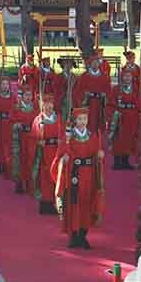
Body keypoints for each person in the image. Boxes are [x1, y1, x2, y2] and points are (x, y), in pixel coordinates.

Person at [51, 107, 105, 249]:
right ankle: (73, 236)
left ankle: (83, 235)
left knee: (86, 203)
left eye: (85, 119)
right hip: (74, 175)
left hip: (89, 175)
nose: (83, 122)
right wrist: (64, 159)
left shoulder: (92, 136)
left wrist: (99, 156)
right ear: (75, 121)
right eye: (80, 119)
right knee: (74, 203)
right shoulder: (69, 138)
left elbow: (96, 153)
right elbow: (60, 154)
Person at [31, 94, 64, 214]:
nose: (49, 106)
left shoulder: (58, 118)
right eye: (46, 103)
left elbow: (64, 134)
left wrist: (61, 141)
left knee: (56, 176)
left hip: (56, 151)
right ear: (42, 105)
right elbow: (33, 137)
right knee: (45, 176)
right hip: (44, 152)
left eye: (51, 103)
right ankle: (45, 204)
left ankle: (56, 203)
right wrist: (38, 142)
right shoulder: (38, 120)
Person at [107, 70, 141, 170]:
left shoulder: (136, 89)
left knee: (129, 139)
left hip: (131, 118)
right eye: (125, 76)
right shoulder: (116, 89)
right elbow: (110, 103)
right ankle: (117, 162)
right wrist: (113, 115)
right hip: (119, 117)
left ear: (132, 77)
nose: (127, 78)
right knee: (118, 140)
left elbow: (140, 104)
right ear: (122, 77)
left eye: (129, 76)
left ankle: (126, 161)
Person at [10, 86, 39, 194]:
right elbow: (11, 122)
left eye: (30, 95)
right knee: (20, 159)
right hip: (20, 137)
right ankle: (19, 182)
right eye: (26, 95)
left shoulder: (35, 108)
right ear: (22, 96)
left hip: (31, 137)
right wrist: (17, 125)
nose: (28, 97)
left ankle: (30, 183)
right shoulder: (17, 108)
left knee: (30, 159)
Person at [74, 55, 111, 136]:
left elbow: (108, 91)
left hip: (100, 104)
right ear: (90, 64)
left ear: (99, 64)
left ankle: (99, 139)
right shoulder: (84, 76)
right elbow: (78, 91)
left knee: (99, 123)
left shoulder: (104, 76)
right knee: (89, 122)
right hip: (88, 104)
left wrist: (105, 95)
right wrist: (84, 95)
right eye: (93, 62)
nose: (95, 64)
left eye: (96, 62)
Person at [0, 76, 17, 177]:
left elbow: (16, 111)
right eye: (3, 84)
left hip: (9, 125)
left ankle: (7, 165)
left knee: (9, 146)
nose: (5, 86)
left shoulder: (13, 98)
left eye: (6, 84)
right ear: (0, 86)